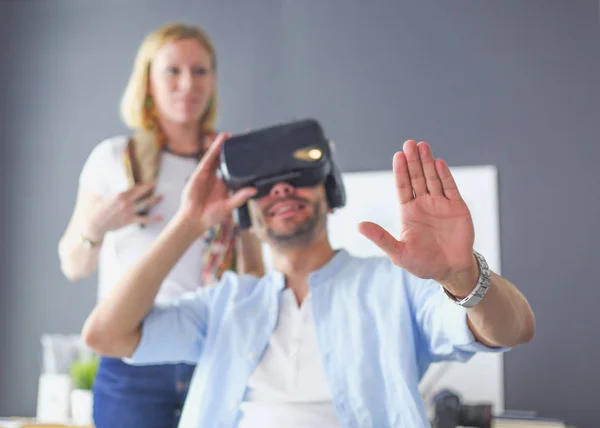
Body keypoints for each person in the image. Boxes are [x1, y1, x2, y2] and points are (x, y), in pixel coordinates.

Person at [81, 134, 536, 428]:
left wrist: (462, 276)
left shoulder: (392, 286)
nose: (281, 190)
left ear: (331, 192)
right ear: (246, 212)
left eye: (298, 178)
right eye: (265, 185)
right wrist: (189, 221)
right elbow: (106, 335)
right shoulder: (227, 303)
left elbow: (513, 329)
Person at [57, 23, 264, 428]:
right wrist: (96, 227)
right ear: (148, 80)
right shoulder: (116, 159)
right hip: (132, 357)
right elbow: (73, 265)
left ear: (214, 80)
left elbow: (254, 271)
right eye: (173, 70)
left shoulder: (232, 162)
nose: (188, 83)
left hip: (213, 353)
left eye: (200, 70)